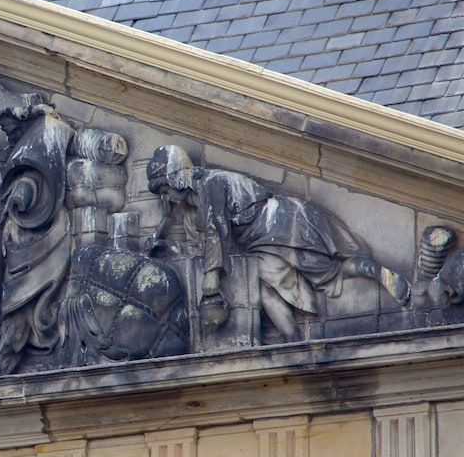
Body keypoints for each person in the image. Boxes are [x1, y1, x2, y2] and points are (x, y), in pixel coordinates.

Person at [146, 145, 410, 341]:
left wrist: (212, 275)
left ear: (177, 179)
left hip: (280, 227)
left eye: (166, 189)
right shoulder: (195, 199)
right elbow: (201, 237)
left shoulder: (211, 185)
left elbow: (217, 231)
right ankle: (293, 338)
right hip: (268, 235)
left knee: (327, 272)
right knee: (270, 283)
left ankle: (376, 275)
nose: (167, 198)